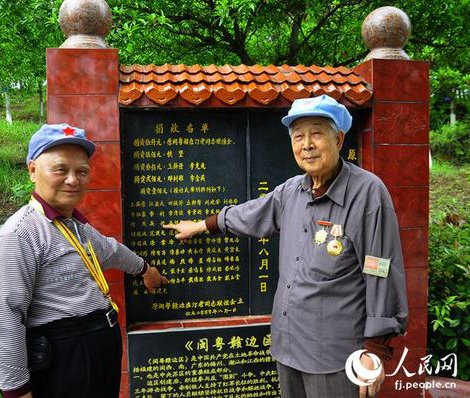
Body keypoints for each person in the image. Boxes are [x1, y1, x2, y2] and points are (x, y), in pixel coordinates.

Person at [164, 95, 408, 398]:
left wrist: (374, 349)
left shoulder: (367, 193)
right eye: (298, 136)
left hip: (335, 355)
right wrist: (202, 225)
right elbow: (252, 213)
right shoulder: (293, 190)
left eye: (317, 133)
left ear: (339, 138)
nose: (306, 144)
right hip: (289, 345)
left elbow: (380, 269)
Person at [0, 123, 169, 398]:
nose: (73, 180)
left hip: (97, 351)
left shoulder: (74, 226)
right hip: (64, 360)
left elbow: (111, 250)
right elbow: (5, 319)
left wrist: (145, 269)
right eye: (61, 169)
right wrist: (16, 392)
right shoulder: (19, 235)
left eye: (82, 171)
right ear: (33, 170)